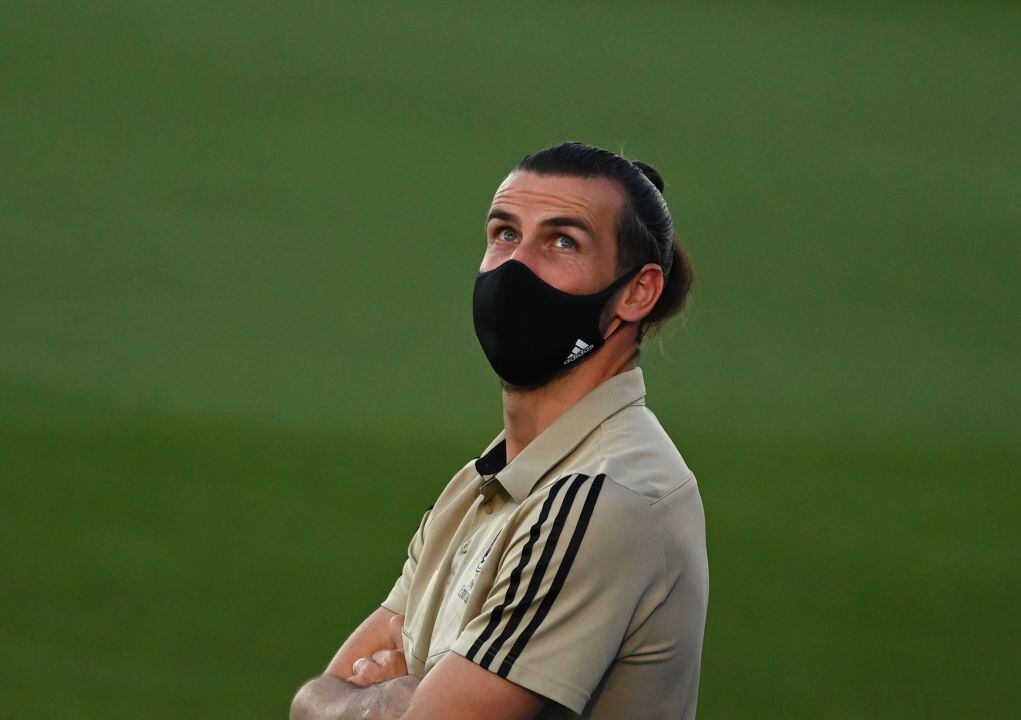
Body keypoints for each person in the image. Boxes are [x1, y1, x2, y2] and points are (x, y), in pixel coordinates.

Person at [291, 141, 708, 720]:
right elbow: (308, 703)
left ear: (638, 292)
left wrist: (383, 695)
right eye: (505, 234)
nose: (517, 266)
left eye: (563, 241)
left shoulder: (604, 497)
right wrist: (395, 696)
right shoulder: (486, 482)